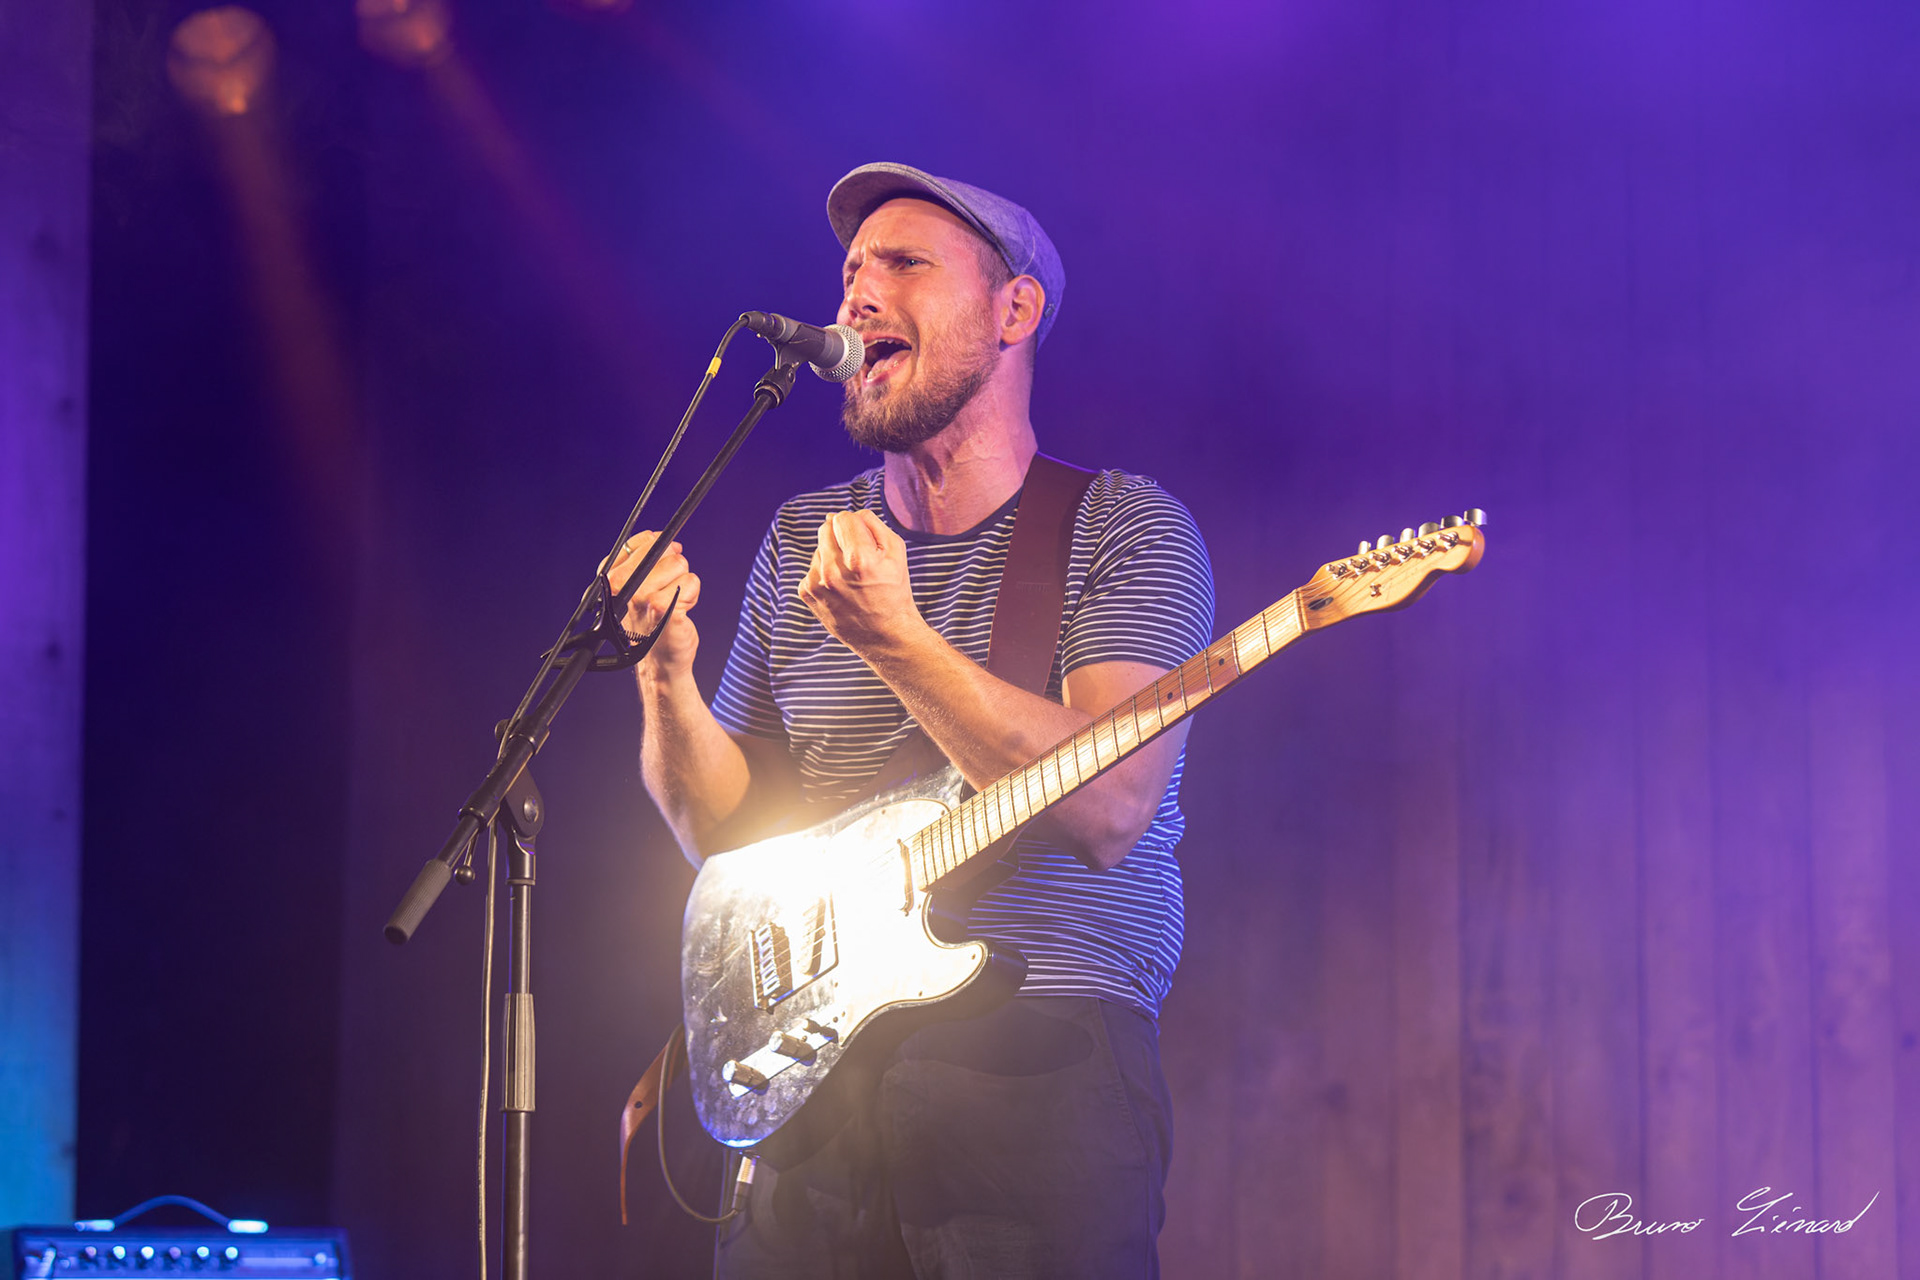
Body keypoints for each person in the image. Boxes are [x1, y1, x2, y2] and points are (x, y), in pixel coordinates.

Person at [609, 162, 1214, 1279]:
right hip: (810, 1088)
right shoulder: (803, 539)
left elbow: (1108, 803)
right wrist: (663, 677)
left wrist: (896, 638)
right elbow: (724, 839)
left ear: (1013, 311)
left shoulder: (1123, 528)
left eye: (904, 263)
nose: (858, 293)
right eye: (850, 270)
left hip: (1035, 1060)